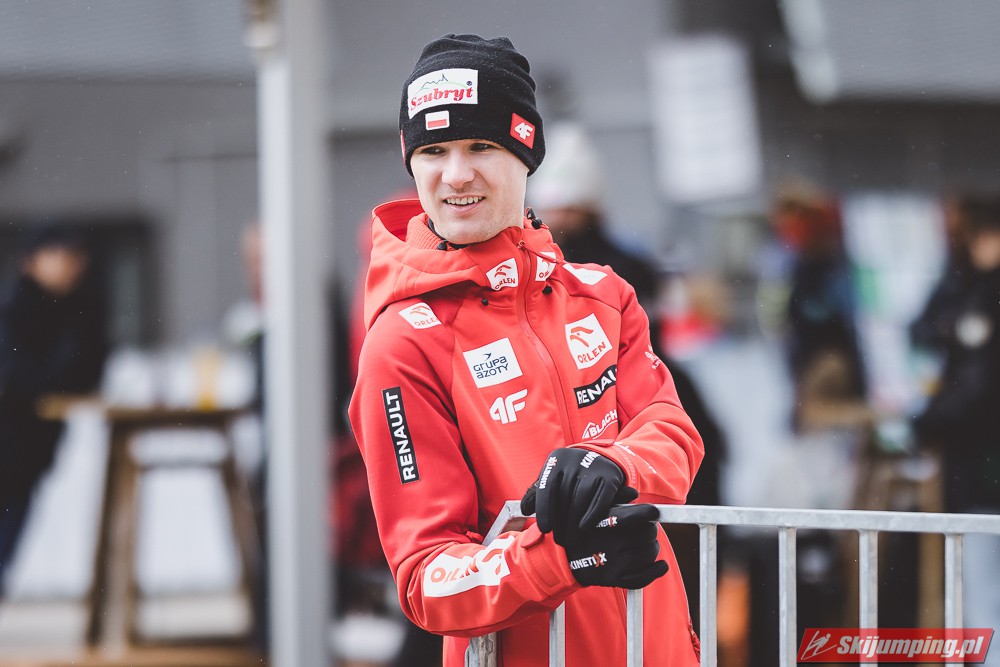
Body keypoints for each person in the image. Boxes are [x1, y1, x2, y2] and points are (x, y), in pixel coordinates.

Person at [348, 34, 703, 666]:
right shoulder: (404, 342)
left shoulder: (602, 295)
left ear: (526, 151)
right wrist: (561, 560)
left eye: (481, 146)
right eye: (433, 151)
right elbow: (427, 577)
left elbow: (674, 434)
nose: (456, 175)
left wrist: (616, 464)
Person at [0, 223, 108, 596]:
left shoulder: (80, 308)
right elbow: (24, 376)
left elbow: (88, 373)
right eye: (59, 255)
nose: (68, 265)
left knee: (12, 524)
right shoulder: (17, 310)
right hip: (12, 438)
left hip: (32, 444)